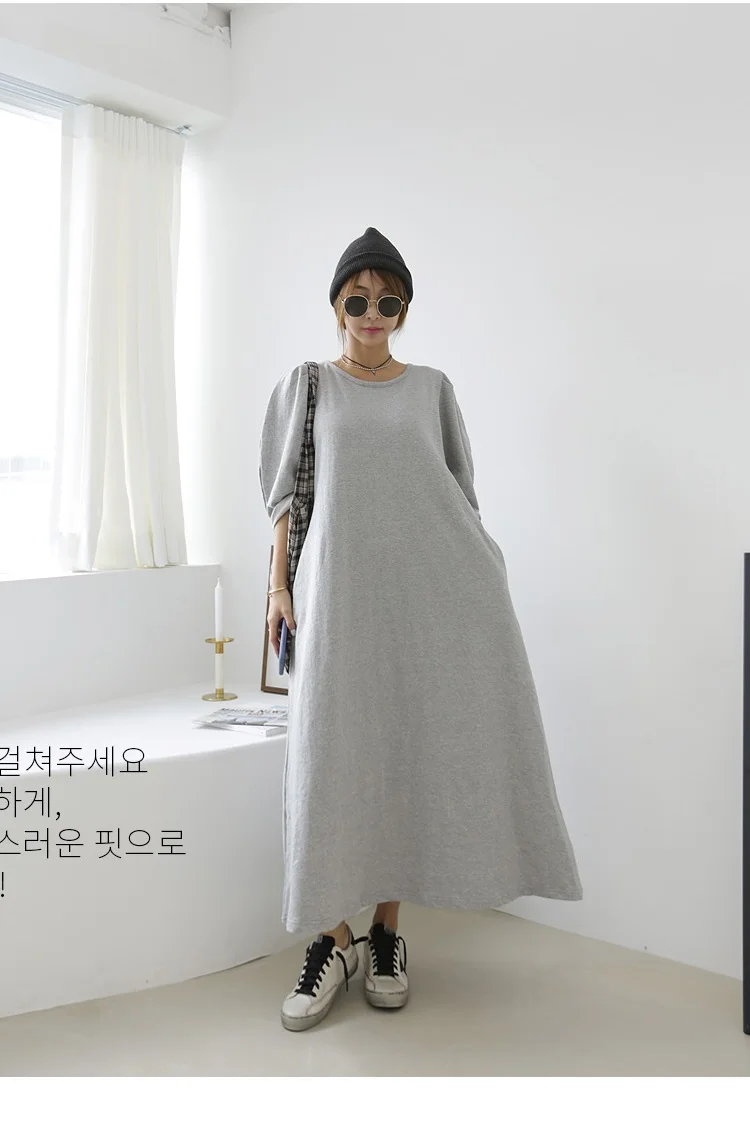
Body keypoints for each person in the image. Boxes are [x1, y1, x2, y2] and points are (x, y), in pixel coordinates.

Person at [259, 226, 583, 1033]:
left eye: (389, 301)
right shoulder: (308, 387)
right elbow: (286, 499)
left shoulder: (432, 388)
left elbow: (458, 495)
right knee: (332, 758)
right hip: (338, 600)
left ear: (404, 310)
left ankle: (385, 935)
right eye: (358, 300)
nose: (372, 314)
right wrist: (277, 588)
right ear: (337, 304)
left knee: (405, 750)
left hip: (421, 599)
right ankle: (331, 939)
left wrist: (483, 571)